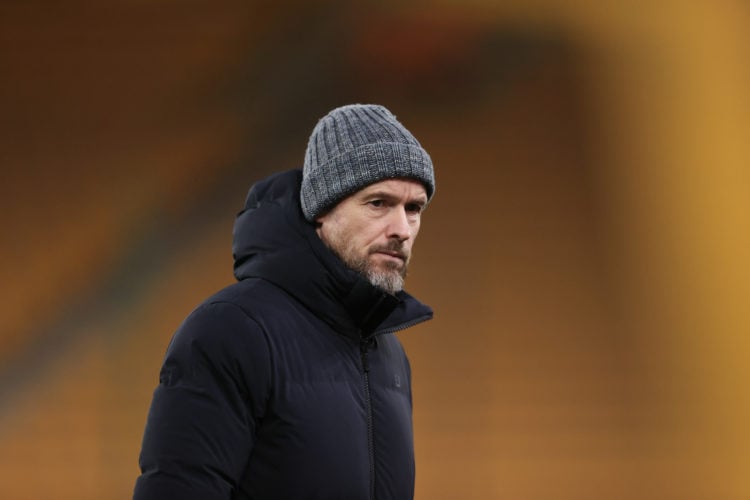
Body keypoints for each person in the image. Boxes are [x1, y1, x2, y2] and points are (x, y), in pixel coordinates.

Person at [133, 104, 436, 500]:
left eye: (413, 208)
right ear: (321, 211)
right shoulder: (230, 330)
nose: (402, 229)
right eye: (378, 203)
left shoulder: (390, 355)